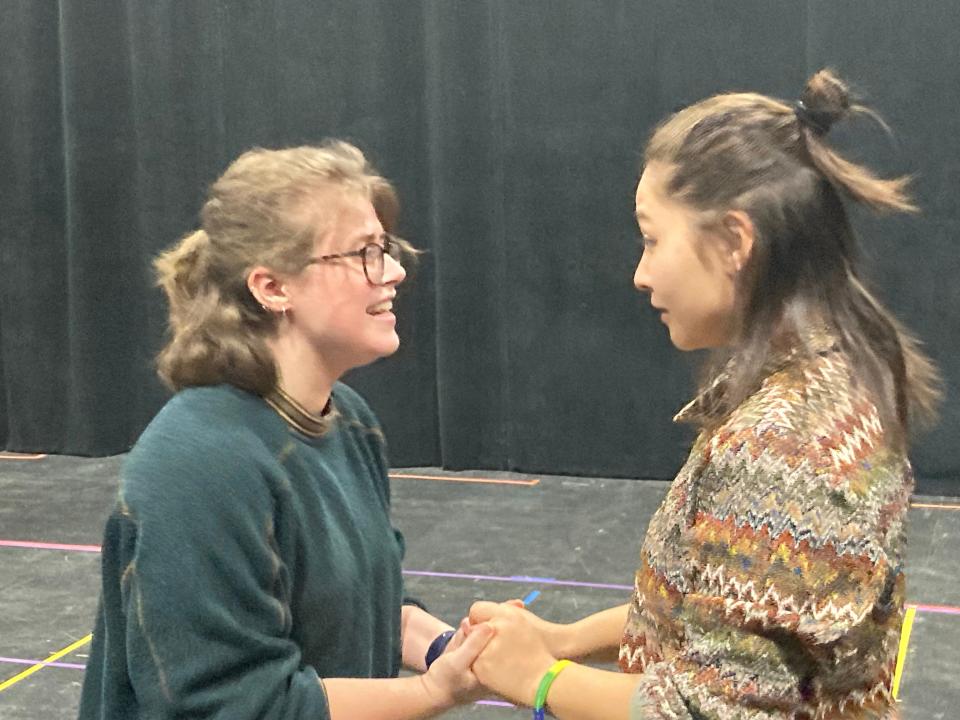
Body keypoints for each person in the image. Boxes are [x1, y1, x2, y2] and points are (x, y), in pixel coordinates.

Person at [466, 69, 940, 719]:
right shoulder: (837, 379)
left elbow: (712, 710)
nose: (640, 273)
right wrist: (565, 640)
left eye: (653, 238)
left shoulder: (783, 446)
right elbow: (723, 612)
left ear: (734, 243)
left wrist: (539, 679)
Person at [79, 141, 492, 719]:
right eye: (365, 253)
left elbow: (367, 608)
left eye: (387, 248)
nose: (394, 271)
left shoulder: (350, 423)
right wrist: (432, 693)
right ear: (272, 288)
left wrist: (456, 651)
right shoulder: (199, 464)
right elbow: (244, 704)